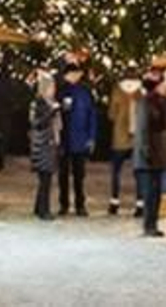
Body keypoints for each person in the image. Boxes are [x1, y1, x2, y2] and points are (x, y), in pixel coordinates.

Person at [133, 68, 166, 237]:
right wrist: (146, 152)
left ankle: (153, 223)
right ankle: (148, 225)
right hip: (148, 156)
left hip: (157, 154)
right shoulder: (145, 103)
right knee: (150, 192)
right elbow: (142, 130)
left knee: (156, 192)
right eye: (163, 84)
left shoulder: (160, 102)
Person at [57, 63, 96, 217]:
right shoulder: (61, 91)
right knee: (63, 175)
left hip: (79, 139)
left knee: (79, 175)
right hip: (64, 138)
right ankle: (64, 204)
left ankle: (80, 204)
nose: (75, 77)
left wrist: (91, 137)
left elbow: (91, 115)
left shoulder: (85, 92)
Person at [30, 72, 61, 220]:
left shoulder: (48, 103)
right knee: (45, 178)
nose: (54, 89)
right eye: (52, 87)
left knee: (45, 178)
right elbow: (37, 123)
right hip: (43, 144)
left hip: (47, 143)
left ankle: (39, 207)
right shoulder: (40, 104)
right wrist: (52, 112)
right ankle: (44, 210)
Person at [108, 78, 141, 216]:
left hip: (119, 138)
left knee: (116, 172)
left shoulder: (117, 91)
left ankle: (114, 202)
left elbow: (111, 114)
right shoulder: (140, 92)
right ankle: (140, 203)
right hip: (137, 139)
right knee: (139, 173)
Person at [0, 68, 26, 172]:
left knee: (1, 137)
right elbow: (12, 97)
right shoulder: (10, 84)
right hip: (6, 114)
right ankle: (0, 160)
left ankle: (0, 160)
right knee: (4, 138)